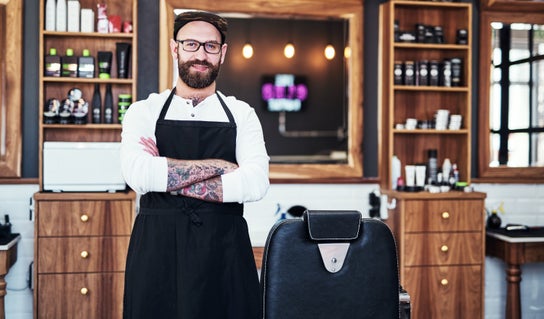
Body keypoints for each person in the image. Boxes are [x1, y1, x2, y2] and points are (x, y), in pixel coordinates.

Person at [120, 10, 270, 319]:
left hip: (225, 253)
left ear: (222, 53)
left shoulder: (242, 115)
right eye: (191, 44)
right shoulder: (143, 111)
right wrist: (220, 165)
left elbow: (255, 183)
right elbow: (140, 175)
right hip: (157, 252)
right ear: (175, 49)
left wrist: (169, 177)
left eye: (210, 46)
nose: (200, 54)